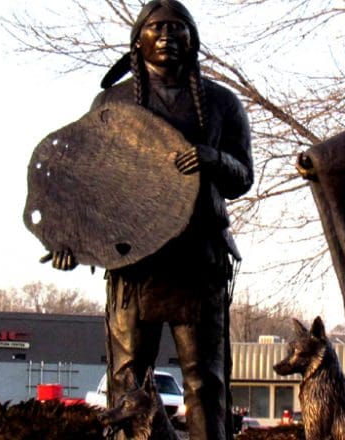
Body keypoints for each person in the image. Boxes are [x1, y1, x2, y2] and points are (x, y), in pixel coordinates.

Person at [45, 1, 253, 439]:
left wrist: (213, 159)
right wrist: (69, 239)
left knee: (204, 381)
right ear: (138, 39)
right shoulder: (112, 101)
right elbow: (85, 180)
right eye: (157, 28)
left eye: (178, 28)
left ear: (192, 39)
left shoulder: (220, 103)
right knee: (128, 379)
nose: (167, 36)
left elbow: (243, 177)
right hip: (132, 262)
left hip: (199, 258)